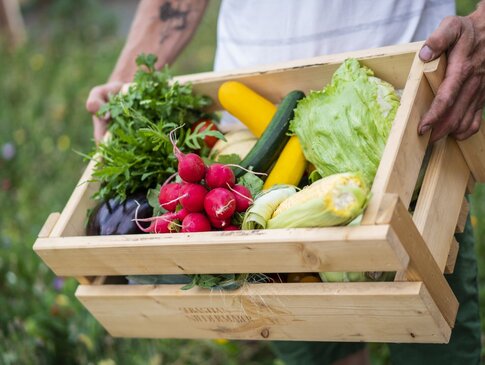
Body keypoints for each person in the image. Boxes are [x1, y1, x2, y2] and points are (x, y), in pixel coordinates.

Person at [86, 1, 485, 364]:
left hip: (410, 119)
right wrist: (125, 83)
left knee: (436, 349)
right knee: (317, 354)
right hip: (242, 123)